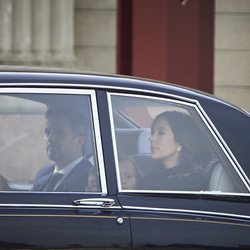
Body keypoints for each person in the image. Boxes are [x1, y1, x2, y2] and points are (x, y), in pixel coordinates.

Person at [142, 111, 211, 191]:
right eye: (152, 132)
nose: (151, 138)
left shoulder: (192, 182)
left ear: (179, 142)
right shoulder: (152, 176)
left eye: (161, 133)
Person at [32, 108, 93, 192]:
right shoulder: (43, 173)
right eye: (47, 132)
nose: (50, 138)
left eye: (60, 133)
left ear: (80, 141)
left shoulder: (90, 179)